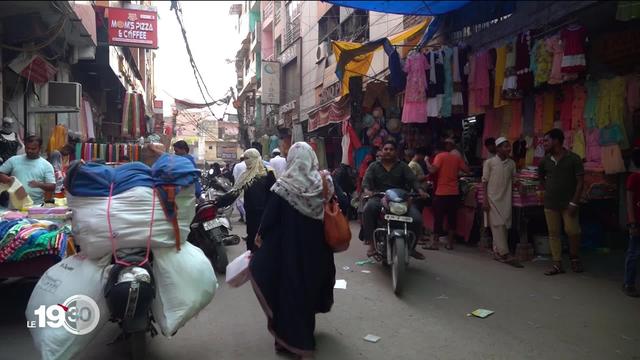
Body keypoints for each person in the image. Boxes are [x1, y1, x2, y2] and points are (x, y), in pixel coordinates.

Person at [250, 141, 335, 359]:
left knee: (289, 293)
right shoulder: (325, 182)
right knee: (309, 291)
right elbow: (339, 202)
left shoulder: (284, 185)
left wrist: (258, 240)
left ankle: (293, 342)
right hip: (318, 251)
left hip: (288, 251)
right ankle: (301, 336)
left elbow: (269, 218)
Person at [362, 140, 428, 260]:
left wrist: (420, 191)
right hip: (379, 197)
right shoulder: (374, 166)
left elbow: (413, 180)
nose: (388, 152)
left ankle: (412, 247)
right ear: (381, 151)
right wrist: (367, 191)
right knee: (368, 209)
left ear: (396, 152)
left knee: (417, 219)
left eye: (391, 149)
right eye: (385, 149)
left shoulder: (403, 166)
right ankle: (371, 244)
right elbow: (366, 181)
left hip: (401, 199)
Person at [538, 128, 584, 276]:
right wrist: (546, 189)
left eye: (546, 140)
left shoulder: (574, 158)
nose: (544, 143)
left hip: (569, 203)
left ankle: (574, 257)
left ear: (556, 141)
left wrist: (574, 202)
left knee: (572, 230)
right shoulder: (545, 160)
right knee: (553, 233)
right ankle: (557, 263)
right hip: (550, 203)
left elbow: (580, 182)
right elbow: (540, 176)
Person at [219, 148, 276, 251]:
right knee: (252, 241)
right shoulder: (246, 175)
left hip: (266, 214)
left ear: (255, 158)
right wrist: (218, 203)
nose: (245, 161)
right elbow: (234, 193)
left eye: (247, 158)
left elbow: (274, 195)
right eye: (244, 158)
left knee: (265, 241)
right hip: (251, 214)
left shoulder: (268, 173)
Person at [482, 137, 522, 268]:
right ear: (498, 148)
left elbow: (514, 180)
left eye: (509, 146)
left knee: (504, 225)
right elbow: (484, 182)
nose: (508, 149)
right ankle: (505, 254)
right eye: (505, 146)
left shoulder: (511, 164)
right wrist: (485, 200)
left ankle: (497, 252)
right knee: (498, 225)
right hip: (492, 198)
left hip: (506, 198)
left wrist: (520, 186)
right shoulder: (489, 162)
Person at [424, 138, 470, 250]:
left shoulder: (440, 156)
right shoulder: (456, 158)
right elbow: (467, 170)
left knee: (438, 218)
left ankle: (434, 243)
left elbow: (432, 170)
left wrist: (426, 161)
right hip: (454, 192)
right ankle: (450, 244)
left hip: (441, 192)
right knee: (452, 219)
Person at [0, 136, 55, 205]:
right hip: (14, 205)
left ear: (40, 148)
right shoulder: (14, 160)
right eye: (27, 148)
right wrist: (7, 179)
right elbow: (1, 173)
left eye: (33, 149)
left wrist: (39, 184)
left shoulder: (46, 165)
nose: (29, 151)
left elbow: (52, 186)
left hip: (36, 206)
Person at [624, 148, 640, 297]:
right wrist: (632, 222)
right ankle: (629, 283)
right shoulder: (634, 178)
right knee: (634, 253)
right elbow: (629, 203)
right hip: (636, 222)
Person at [232, 156, 247, 222]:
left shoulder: (237, 165)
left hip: (239, 186)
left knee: (239, 203)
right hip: (249, 185)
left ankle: (244, 216)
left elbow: (234, 176)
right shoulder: (250, 164)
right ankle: (244, 217)